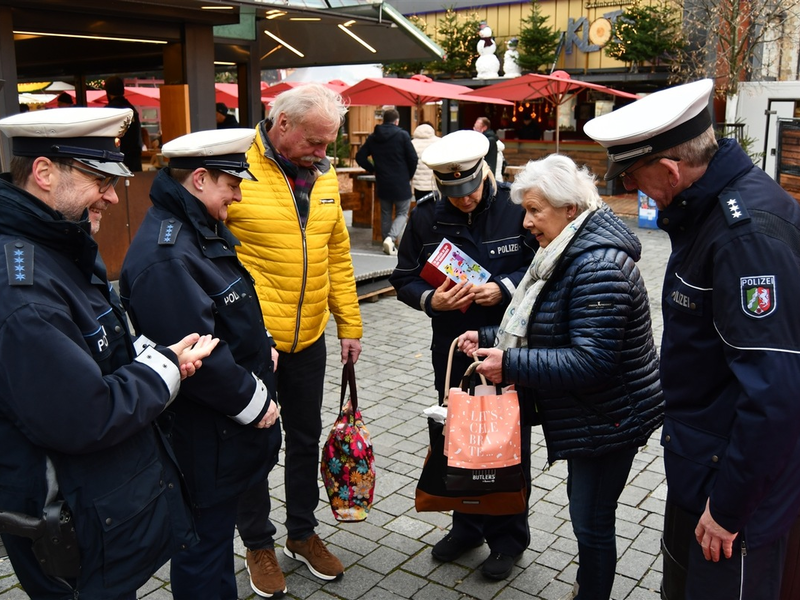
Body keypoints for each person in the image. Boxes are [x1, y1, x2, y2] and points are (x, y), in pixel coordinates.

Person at [585, 78, 800, 600]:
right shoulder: (706, 211)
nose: (635, 189)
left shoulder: (744, 236)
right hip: (705, 470)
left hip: (733, 492)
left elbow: (774, 395)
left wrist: (728, 509)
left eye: (635, 176)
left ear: (670, 169)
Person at [0, 107, 219, 599]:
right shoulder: (23, 285)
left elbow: (96, 350)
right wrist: (162, 372)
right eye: (99, 178)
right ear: (43, 173)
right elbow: (86, 413)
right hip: (69, 517)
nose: (112, 194)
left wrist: (153, 356)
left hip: (93, 504)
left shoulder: (60, 245)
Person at [457, 153, 664, 599]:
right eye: (525, 210)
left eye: (535, 210)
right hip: (593, 414)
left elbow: (591, 361)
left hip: (611, 418)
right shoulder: (566, 250)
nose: (526, 222)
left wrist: (509, 363)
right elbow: (547, 323)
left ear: (570, 208)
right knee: (585, 513)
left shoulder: (597, 265)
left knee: (591, 523)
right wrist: (490, 334)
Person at [119, 128, 282, 600]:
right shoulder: (168, 253)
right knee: (203, 552)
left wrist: (261, 341)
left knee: (212, 544)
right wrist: (257, 404)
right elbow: (196, 354)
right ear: (200, 180)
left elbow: (227, 305)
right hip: (206, 436)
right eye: (231, 183)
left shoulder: (197, 228)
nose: (238, 192)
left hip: (220, 437)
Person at [225, 83, 363, 596]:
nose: (325, 154)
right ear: (281, 124)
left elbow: (338, 255)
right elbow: (212, 258)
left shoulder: (323, 177)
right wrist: (242, 332)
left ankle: (301, 534)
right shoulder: (236, 166)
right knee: (256, 443)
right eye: (317, 142)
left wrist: (349, 324)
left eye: (330, 143)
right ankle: (257, 542)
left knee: (306, 438)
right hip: (257, 344)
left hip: (310, 339)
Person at [389, 129, 538, 581]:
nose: (466, 199)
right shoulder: (427, 215)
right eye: (454, 192)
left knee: (505, 437)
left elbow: (542, 266)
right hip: (454, 348)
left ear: (485, 171)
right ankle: (467, 525)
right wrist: (430, 301)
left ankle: (509, 538)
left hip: (507, 345)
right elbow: (404, 277)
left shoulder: (517, 208)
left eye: (471, 188)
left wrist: (504, 288)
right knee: (457, 434)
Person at [355, 108, 418, 256]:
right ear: (397, 121)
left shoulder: (373, 137)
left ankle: (386, 242)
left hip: (382, 180)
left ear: (383, 120)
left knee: (386, 213)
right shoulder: (402, 135)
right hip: (401, 181)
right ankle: (391, 238)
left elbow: (360, 157)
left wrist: (373, 169)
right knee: (403, 213)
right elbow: (413, 158)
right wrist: (409, 175)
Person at [104, 75, 143, 172]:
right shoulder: (131, 110)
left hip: (116, 161)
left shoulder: (108, 111)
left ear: (107, 92)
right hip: (134, 161)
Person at [410, 121, 440, 202]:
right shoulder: (439, 142)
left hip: (418, 186)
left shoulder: (412, 144)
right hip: (436, 185)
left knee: (422, 210)